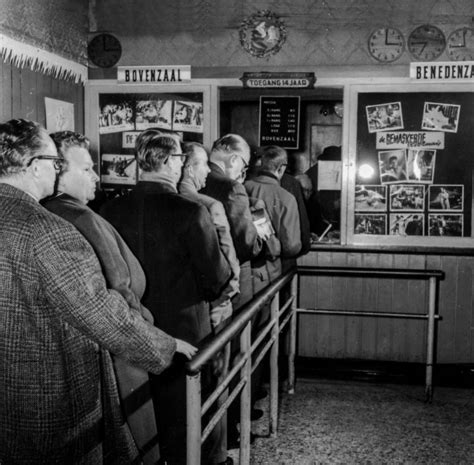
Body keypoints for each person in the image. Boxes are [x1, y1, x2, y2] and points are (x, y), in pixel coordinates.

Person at [0, 119, 193, 464]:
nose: (57, 170)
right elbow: (98, 312)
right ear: (31, 166)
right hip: (48, 396)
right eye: (53, 162)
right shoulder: (48, 231)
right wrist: (166, 346)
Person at [101, 133, 232, 465]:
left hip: (131, 329)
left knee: (145, 415)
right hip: (187, 328)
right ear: (169, 162)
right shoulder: (192, 212)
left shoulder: (108, 211)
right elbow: (216, 278)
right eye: (180, 160)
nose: (182, 166)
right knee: (193, 411)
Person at [178, 141, 241, 461]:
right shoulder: (207, 205)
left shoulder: (168, 204)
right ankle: (216, 454)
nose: (207, 171)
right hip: (213, 310)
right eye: (202, 164)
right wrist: (227, 298)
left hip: (175, 315)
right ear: (188, 168)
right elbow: (227, 266)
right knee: (216, 384)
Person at [200, 134, 263, 311]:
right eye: (243, 166)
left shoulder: (189, 180)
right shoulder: (233, 187)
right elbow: (248, 245)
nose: (242, 173)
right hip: (230, 280)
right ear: (234, 159)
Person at [244, 145, 302, 293]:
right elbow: (291, 246)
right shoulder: (287, 198)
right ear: (281, 168)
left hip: (243, 269)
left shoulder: (242, 188)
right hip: (270, 271)